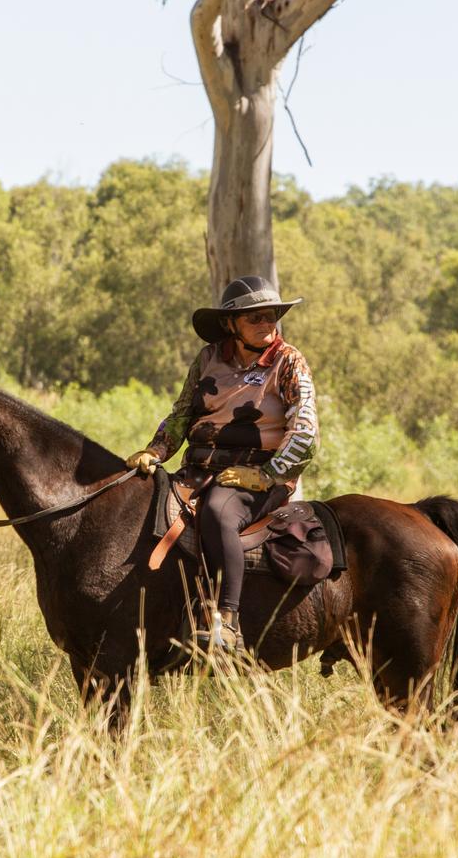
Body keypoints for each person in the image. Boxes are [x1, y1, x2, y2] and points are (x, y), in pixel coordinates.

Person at [126, 275, 319, 651]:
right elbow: (182, 414)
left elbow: (306, 432)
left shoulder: (288, 361)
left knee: (218, 510)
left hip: (257, 475)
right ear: (231, 324)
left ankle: (226, 621)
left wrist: (265, 476)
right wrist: (154, 451)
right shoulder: (208, 358)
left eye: (272, 316)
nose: (267, 324)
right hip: (198, 470)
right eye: (256, 318)